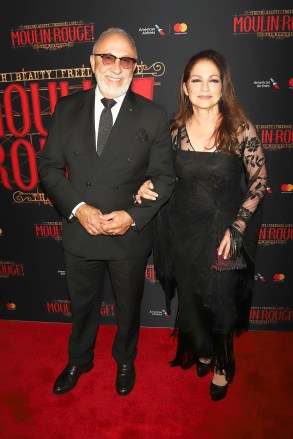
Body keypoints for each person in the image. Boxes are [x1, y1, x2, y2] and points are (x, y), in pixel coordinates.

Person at [38, 27, 175, 396]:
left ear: (135, 67)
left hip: (127, 234)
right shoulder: (68, 107)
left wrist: (131, 216)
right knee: (81, 306)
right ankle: (79, 359)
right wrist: (79, 209)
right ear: (93, 62)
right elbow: (49, 168)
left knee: (128, 309)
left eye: (125, 60)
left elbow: (165, 176)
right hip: (81, 229)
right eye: (108, 58)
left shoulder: (153, 114)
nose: (116, 68)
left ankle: (125, 360)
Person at [135, 49, 267, 401]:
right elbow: (165, 177)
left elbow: (258, 181)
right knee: (193, 296)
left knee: (221, 299)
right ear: (184, 86)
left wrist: (237, 227)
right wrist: (148, 185)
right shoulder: (174, 131)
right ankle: (204, 348)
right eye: (197, 80)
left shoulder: (240, 128)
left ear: (224, 86)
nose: (205, 88)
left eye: (213, 80)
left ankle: (223, 363)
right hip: (184, 229)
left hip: (225, 230)